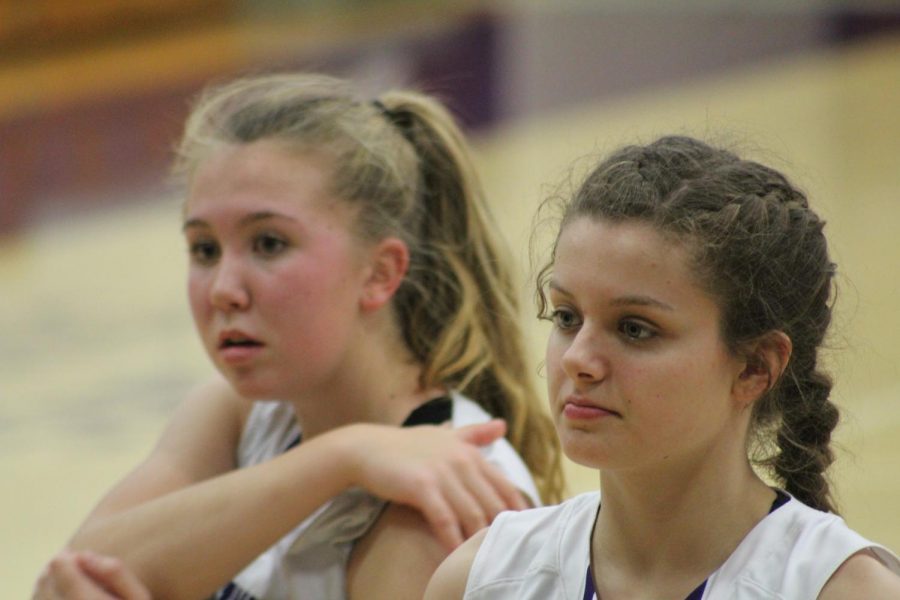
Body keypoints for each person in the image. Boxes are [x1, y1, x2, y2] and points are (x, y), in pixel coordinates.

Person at [32, 72, 564, 600]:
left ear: (380, 273)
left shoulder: (433, 510)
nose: (223, 290)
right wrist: (341, 457)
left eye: (268, 243)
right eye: (204, 249)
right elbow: (73, 574)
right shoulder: (241, 413)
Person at [425, 135, 900, 599]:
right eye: (567, 317)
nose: (577, 359)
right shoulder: (481, 581)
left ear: (755, 367)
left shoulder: (843, 590)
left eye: (634, 328)